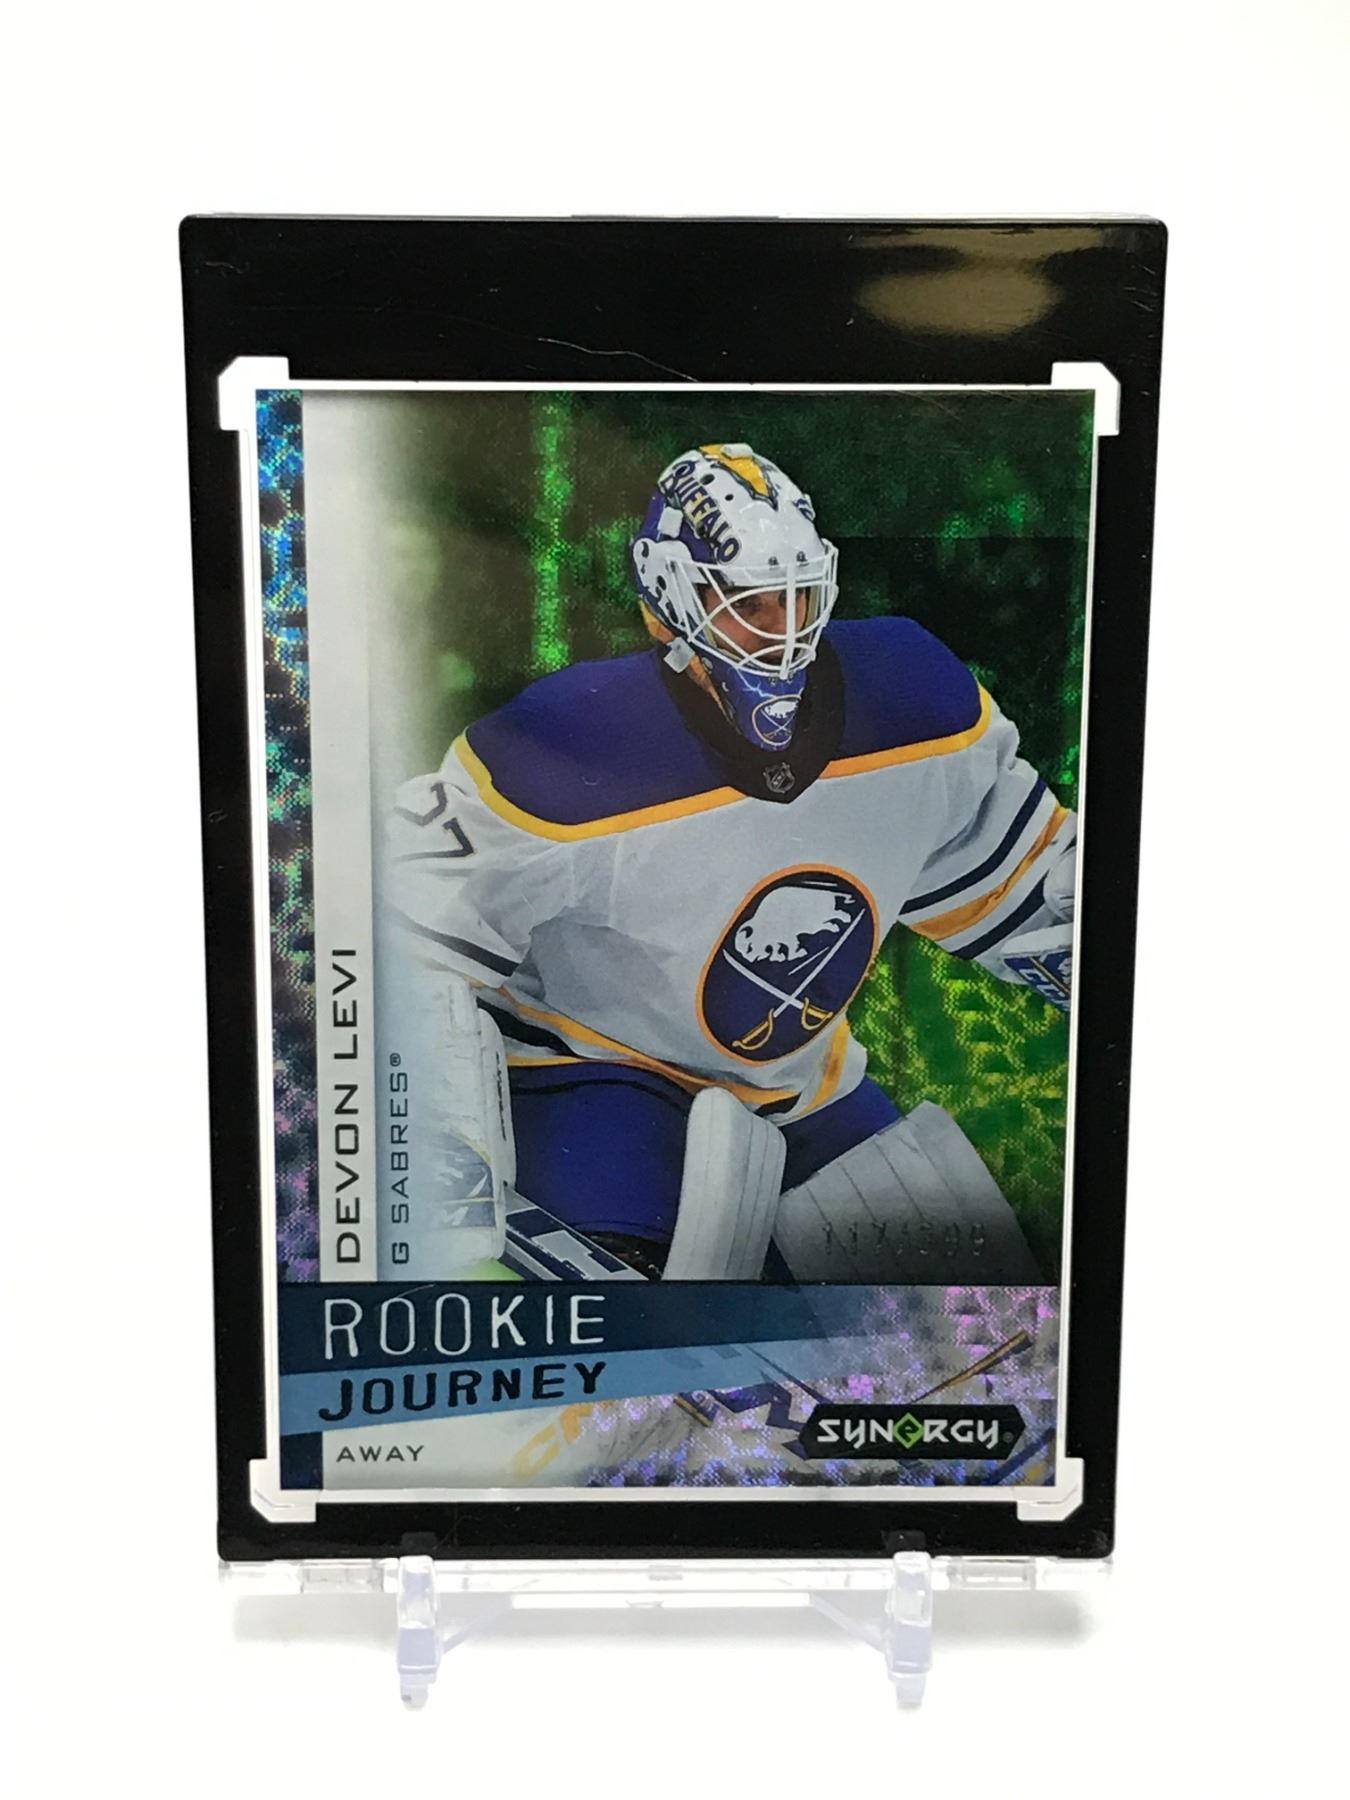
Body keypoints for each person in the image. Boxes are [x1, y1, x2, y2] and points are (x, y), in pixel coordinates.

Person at [384, 444, 1075, 1282]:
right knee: (627, 1311)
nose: (783, 631)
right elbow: (401, 936)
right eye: (750, 604)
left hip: (802, 1087)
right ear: (671, 604)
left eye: (799, 597)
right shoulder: (570, 743)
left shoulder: (917, 705)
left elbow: (1030, 893)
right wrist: (439, 1149)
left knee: (959, 1314)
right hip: (592, 1071)